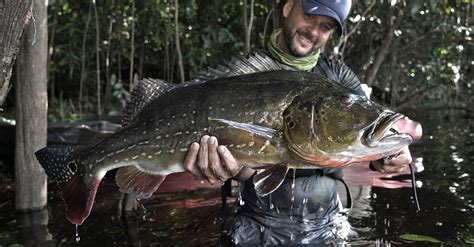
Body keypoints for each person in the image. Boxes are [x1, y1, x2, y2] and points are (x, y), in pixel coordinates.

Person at [183, 0, 413, 244]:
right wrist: (231, 168)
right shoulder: (246, 75)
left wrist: (391, 153)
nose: (313, 31)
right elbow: (246, 170)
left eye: (325, 27)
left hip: (327, 223)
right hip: (255, 223)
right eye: (310, 16)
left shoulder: (338, 77)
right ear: (288, 6)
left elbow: (368, 122)